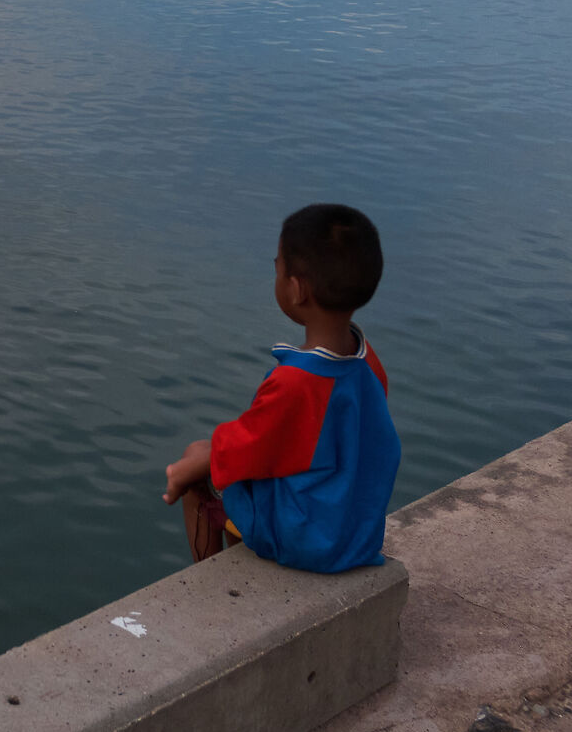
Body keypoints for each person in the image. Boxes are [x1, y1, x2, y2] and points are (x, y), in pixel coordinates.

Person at [161, 203, 399, 573]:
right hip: (355, 533)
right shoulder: (367, 363)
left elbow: (249, 447)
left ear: (296, 289)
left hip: (310, 541)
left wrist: (184, 471)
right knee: (216, 455)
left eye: (278, 267)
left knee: (197, 468)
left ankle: (209, 578)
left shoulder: (297, 382)